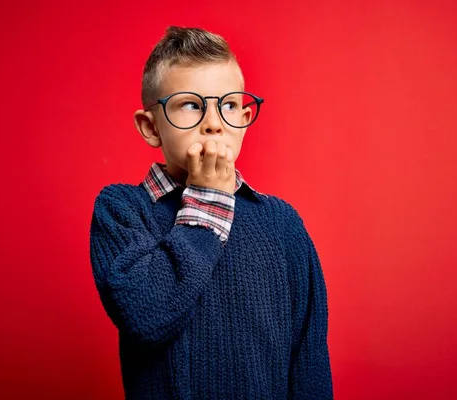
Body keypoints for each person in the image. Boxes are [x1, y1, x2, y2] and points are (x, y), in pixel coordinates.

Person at [89, 25, 333, 399]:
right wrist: (206, 201)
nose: (215, 123)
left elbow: (309, 359)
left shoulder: (283, 224)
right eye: (191, 104)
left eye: (231, 104)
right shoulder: (123, 210)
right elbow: (146, 317)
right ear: (150, 127)